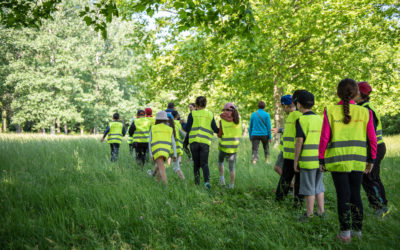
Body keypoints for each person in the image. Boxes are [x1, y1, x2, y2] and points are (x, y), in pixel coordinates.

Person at [319, 79, 377, 243]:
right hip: (358, 161)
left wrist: (321, 159)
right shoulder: (365, 112)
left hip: (338, 161)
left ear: (338, 93)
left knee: (343, 196)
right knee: (356, 195)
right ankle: (358, 231)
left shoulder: (330, 110)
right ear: (357, 93)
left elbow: (324, 137)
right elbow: (372, 139)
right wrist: (371, 159)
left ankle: (345, 234)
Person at [354, 81, 389, 217]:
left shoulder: (367, 109)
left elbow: (371, 135)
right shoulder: (362, 107)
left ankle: (380, 208)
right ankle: (380, 205)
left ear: (360, 94)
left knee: (370, 178)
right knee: (371, 177)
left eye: (354, 92)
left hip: (374, 148)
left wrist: (370, 157)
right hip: (373, 148)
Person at [293, 91, 324, 219]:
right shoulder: (320, 119)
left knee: (308, 188)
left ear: (299, 104)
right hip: (320, 159)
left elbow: (299, 141)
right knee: (319, 186)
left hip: (307, 160)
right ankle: (321, 212)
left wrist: (296, 161)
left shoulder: (301, 120)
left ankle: (309, 214)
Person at [275, 90, 304, 205]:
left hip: (292, 154)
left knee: (286, 179)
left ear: (286, 106)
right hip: (294, 153)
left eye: (283, 107)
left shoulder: (295, 116)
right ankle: (298, 203)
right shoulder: (297, 115)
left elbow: (298, 136)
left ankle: (280, 200)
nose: (283, 109)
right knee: (297, 179)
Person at [186, 96, 219, 188]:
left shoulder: (192, 114)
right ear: (205, 104)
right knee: (204, 164)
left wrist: (181, 124)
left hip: (194, 142)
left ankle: (197, 184)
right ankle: (207, 183)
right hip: (205, 142)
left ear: (196, 104)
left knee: (196, 164)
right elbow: (215, 129)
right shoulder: (210, 114)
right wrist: (221, 129)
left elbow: (187, 128)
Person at [147, 111, 178, 185]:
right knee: (159, 166)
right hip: (166, 151)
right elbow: (173, 143)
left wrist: (151, 154)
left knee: (161, 168)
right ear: (165, 119)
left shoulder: (153, 128)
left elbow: (150, 141)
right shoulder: (169, 128)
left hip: (156, 150)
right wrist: (175, 154)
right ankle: (157, 182)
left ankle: (166, 185)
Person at [217, 103, 242, 189]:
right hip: (234, 148)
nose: (224, 111)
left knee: (220, 161)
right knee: (232, 168)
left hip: (224, 147)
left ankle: (222, 179)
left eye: (224, 110)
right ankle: (231, 186)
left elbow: (219, 135)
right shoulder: (239, 120)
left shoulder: (222, 120)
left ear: (227, 110)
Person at [172, 110, 186, 179]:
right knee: (176, 166)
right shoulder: (178, 123)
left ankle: (183, 179)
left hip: (172, 148)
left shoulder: (169, 123)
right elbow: (182, 135)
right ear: (176, 116)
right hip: (178, 147)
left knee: (176, 168)